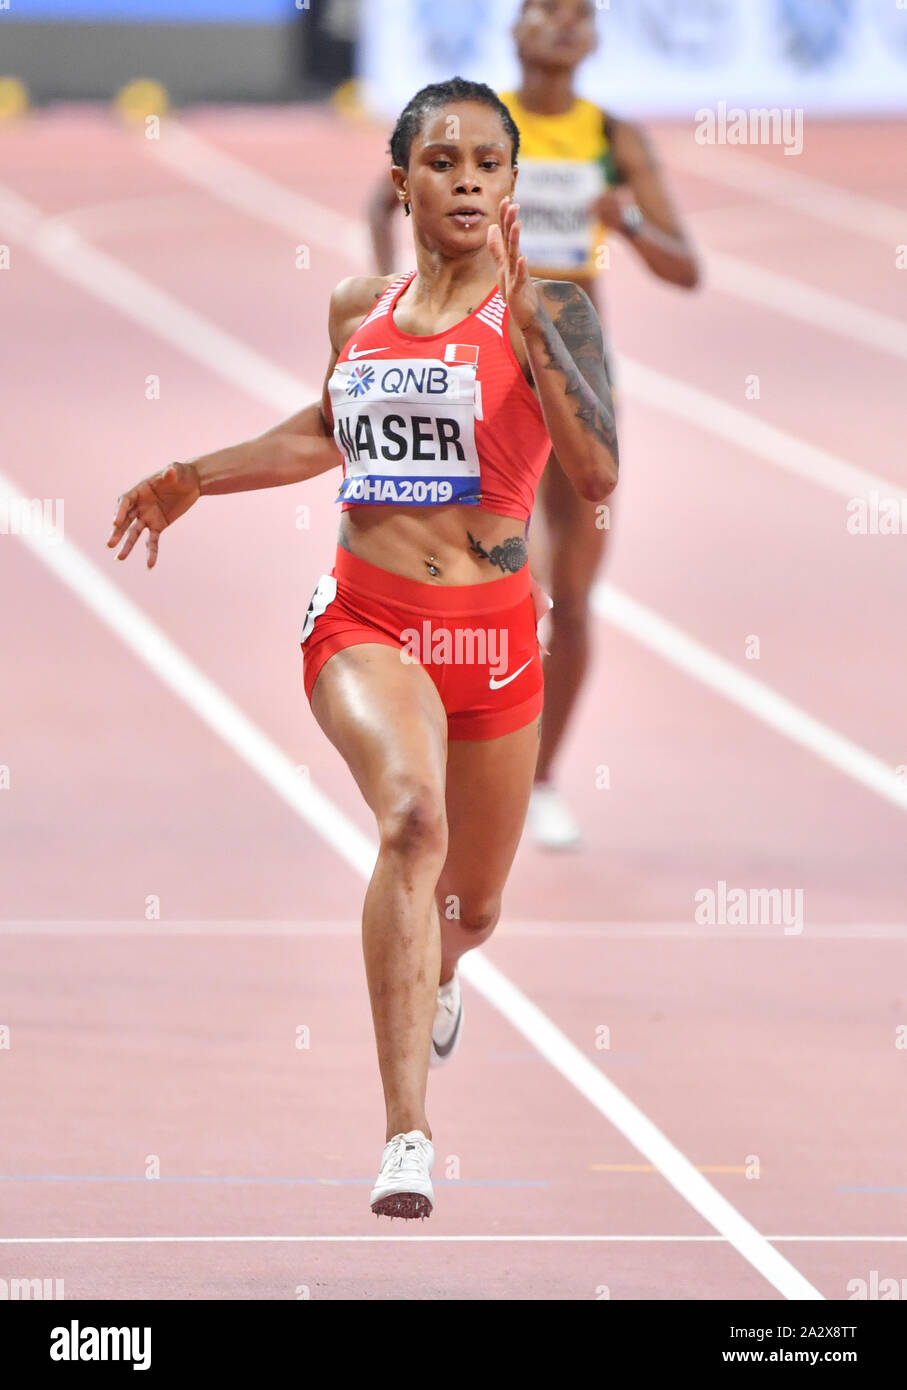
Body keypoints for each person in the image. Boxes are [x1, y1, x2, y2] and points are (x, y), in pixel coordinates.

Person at [108, 78, 618, 1220]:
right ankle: (406, 1136)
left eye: (491, 161)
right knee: (410, 820)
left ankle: (435, 971)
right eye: (444, 161)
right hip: (366, 619)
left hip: (493, 637)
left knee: (471, 910)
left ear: (513, 183)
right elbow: (321, 432)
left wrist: (538, 336)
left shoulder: (556, 310)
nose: (471, 178)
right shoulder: (359, 307)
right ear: (404, 183)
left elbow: (596, 480)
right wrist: (195, 475)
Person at [368, 0, 699, 848]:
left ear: (593, 38)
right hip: (482, 373)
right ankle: (462, 753)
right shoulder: (485, 131)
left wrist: (622, 220)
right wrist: (397, 299)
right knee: (514, 579)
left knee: (576, 599)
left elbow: (685, 266)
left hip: (575, 370)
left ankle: (542, 778)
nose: (560, 24)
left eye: (578, 13)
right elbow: (385, 199)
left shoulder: (610, 138)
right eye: (543, 9)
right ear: (512, 29)